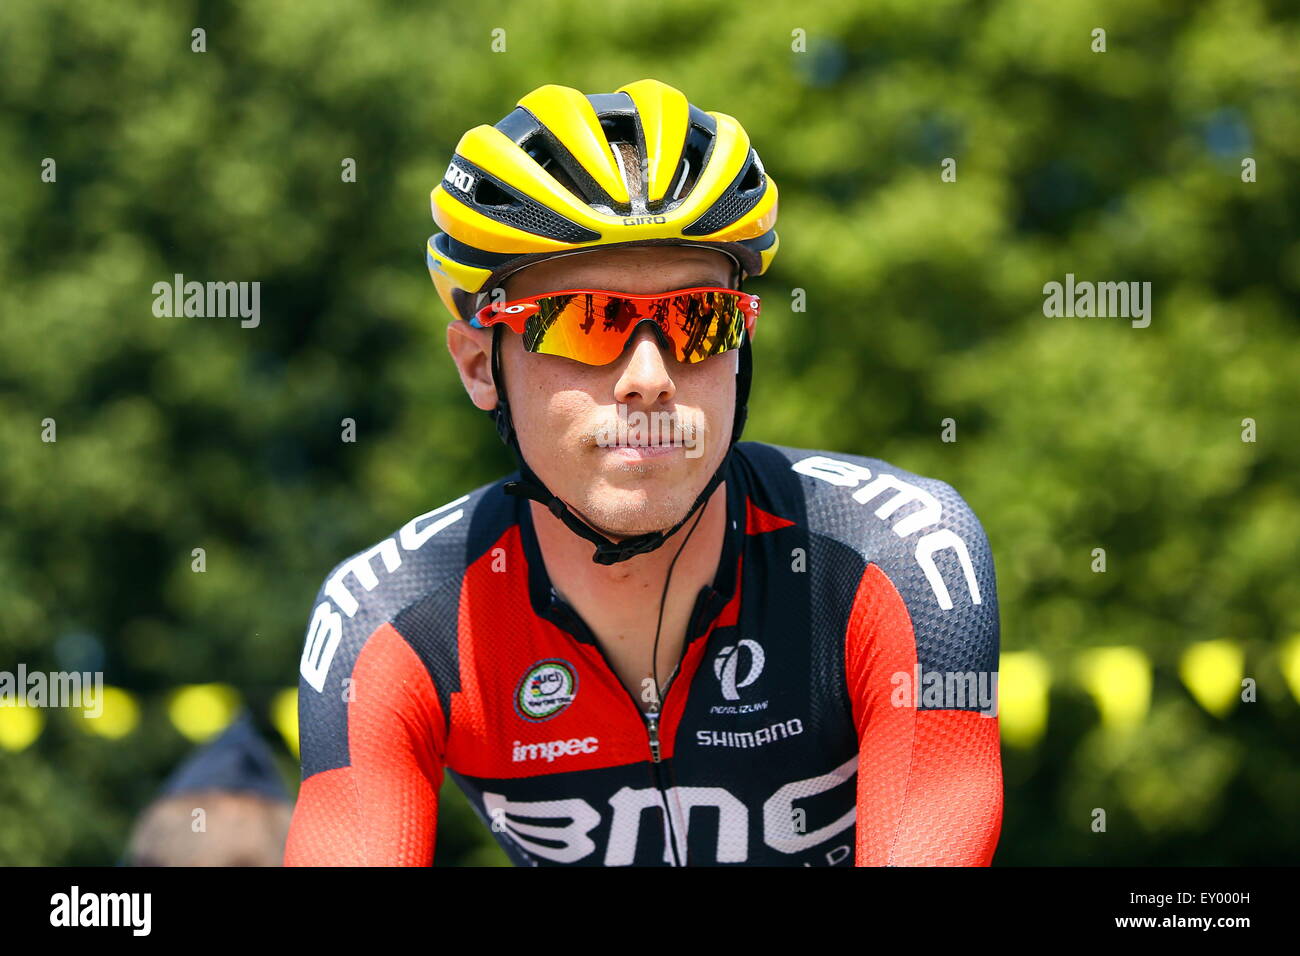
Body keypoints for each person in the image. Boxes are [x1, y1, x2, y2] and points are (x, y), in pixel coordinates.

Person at [285, 79, 1002, 866]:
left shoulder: (895, 557)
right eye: (587, 321)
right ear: (478, 366)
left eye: (701, 319)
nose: (649, 376)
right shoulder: (390, 621)